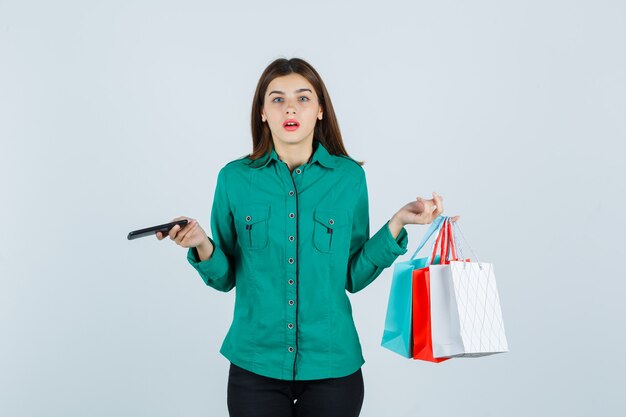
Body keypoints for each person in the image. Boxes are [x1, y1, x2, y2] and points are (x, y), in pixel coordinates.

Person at [157, 57, 459, 417]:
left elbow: (352, 275)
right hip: (255, 364)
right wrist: (201, 245)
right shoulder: (234, 179)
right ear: (262, 113)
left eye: (303, 98)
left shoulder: (348, 179)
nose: (290, 108)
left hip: (333, 366)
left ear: (319, 111)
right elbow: (225, 279)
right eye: (277, 98)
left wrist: (398, 222)